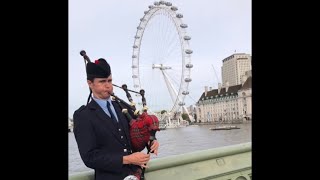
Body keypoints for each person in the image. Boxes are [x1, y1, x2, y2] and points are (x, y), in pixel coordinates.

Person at [73, 58, 159, 180]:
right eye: (102, 81)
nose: (108, 85)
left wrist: (151, 141)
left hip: (136, 175)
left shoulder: (123, 108)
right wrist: (127, 159)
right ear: (90, 83)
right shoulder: (83, 116)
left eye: (110, 80)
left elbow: (139, 134)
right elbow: (90, 157)